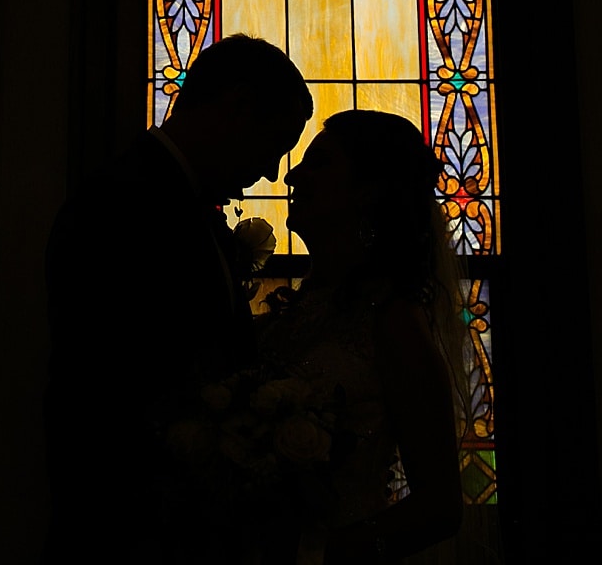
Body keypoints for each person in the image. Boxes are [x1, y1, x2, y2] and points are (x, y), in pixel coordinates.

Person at [43, 35, 313, 561]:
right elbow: (108, 388)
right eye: (274, 146)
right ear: (236, 106)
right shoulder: (122, 206)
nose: (272, 173)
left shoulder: (177, 205)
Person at [266, 110, 465, 563]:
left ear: (369, 190)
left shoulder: (393, 322)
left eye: (320, 164)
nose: (295, 175)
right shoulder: (298, 309)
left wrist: (318, 554)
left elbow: (440, 509)